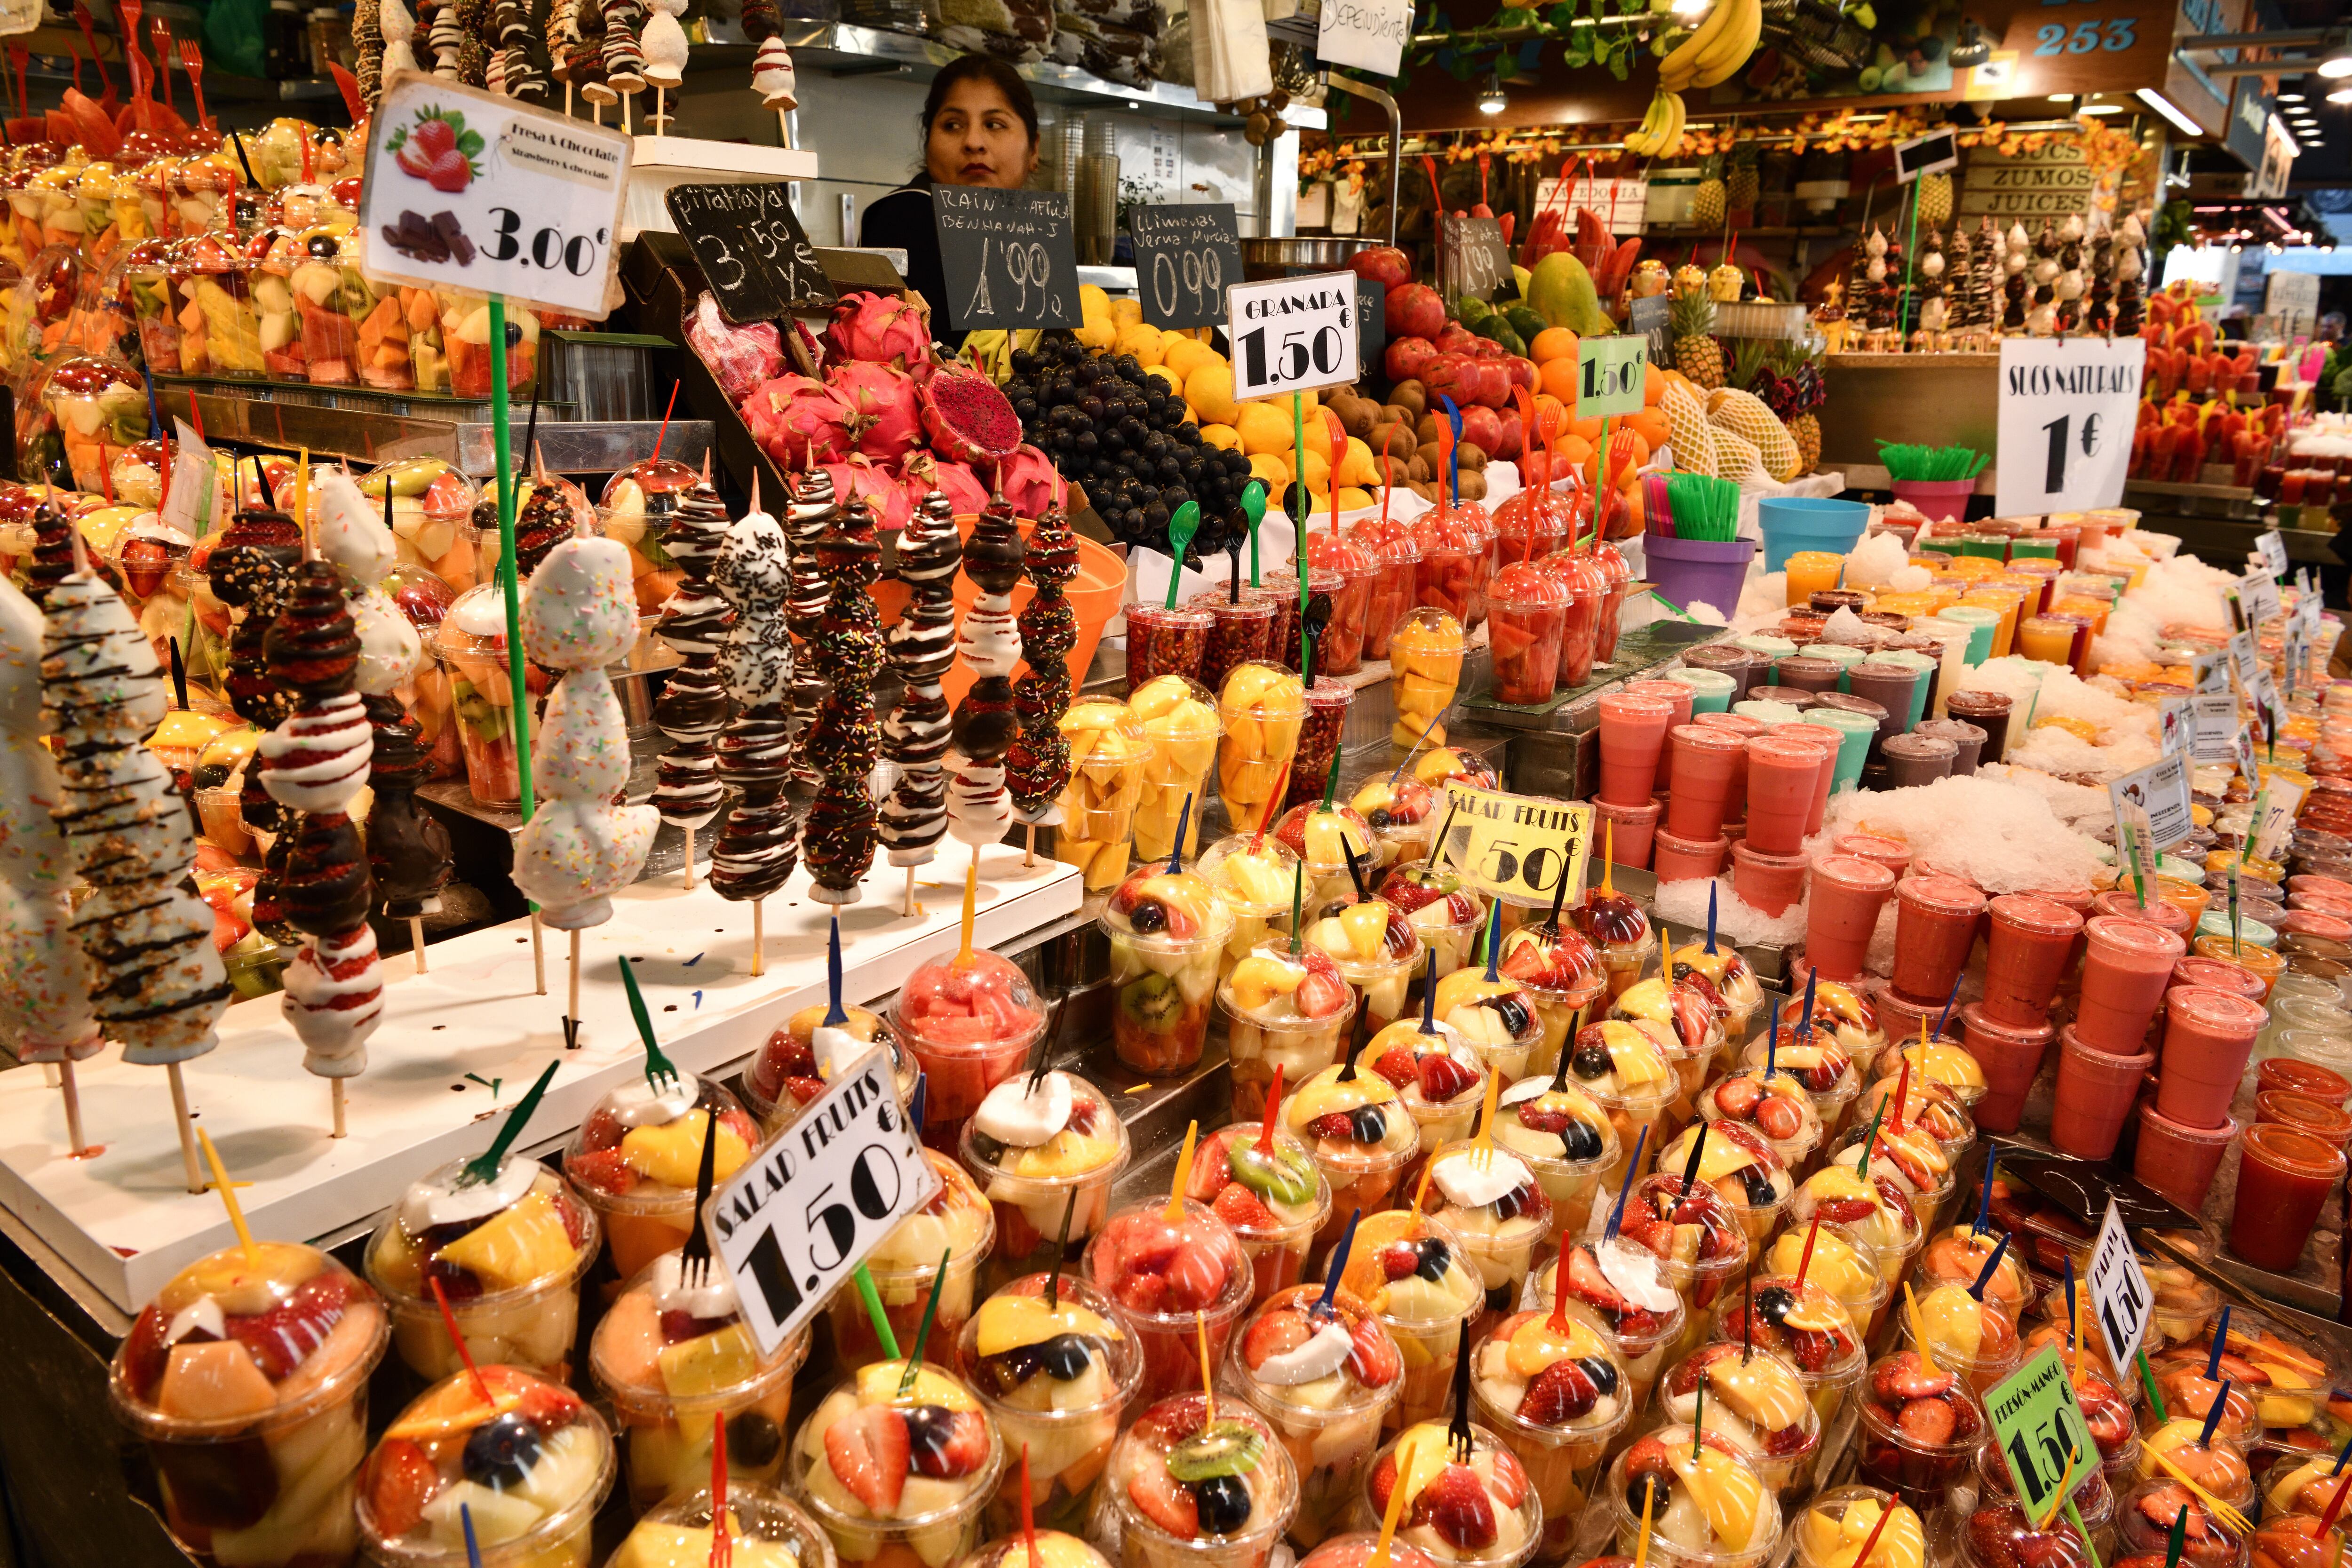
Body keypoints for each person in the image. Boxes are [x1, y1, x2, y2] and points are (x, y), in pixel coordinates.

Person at [858, 56, 1041, 354]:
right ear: (929, 141)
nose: (973, 142)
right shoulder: (900, 218)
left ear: (1034, 149)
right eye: (953, 125)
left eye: (994, 124)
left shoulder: (1038, 226)